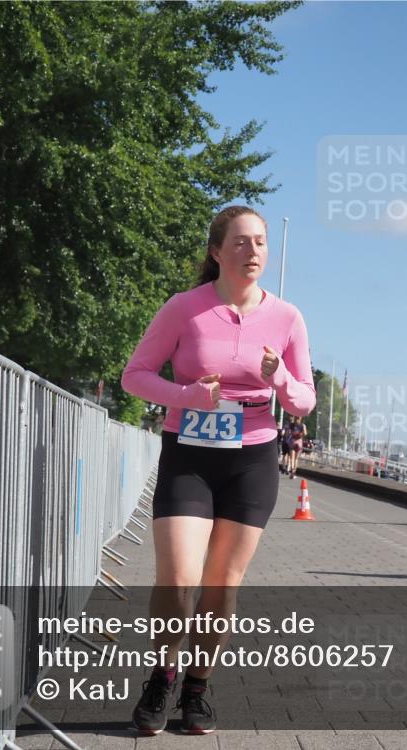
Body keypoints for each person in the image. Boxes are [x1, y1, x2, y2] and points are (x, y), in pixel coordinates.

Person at [120, 205, 316, 735]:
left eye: (260, 242)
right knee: (179, 579)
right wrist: (185, 395)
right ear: (216, 251)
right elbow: (134, 376)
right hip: (189, 452)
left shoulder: (288, 317)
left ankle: (197, 689)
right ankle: (162, 676)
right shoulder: (184, 308)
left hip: (252, 456)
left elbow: (303, 403)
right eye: (241, 242)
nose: (253, 252)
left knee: (220, 587)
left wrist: (278, 381)